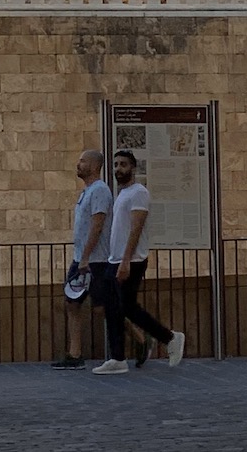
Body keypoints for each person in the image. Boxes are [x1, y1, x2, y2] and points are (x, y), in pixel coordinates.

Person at [91, 147, 185, 374]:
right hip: (115, 260)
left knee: (128, 307)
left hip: (131, 260)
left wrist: (125, 261)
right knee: (113, 309)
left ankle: (170, 337)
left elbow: (136, 228)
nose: (118, 169)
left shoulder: (139, 193)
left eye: (123, 164)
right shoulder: (122, 194)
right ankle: (118, 358)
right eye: (116, 165)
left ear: (133, 168)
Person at [56, 146, 111, 366]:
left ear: (95, 166)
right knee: (72, 302)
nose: (78, 165)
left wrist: (86, 257)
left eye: (83, 161)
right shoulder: (86, 191)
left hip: (95, 260)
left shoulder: (100, 191)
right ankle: (75, 354)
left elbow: (97, 225)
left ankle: (139, 337)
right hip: (81, 258)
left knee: (101, 308)